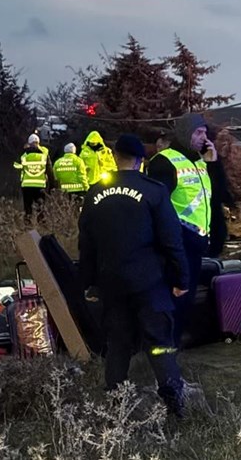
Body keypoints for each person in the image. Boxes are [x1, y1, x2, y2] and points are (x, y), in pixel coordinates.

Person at [78, 134, 190, 417]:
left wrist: (88, 282)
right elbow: (171, 239)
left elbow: (87, 244)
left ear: (115, 156)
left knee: (118, 343)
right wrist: (181, 280)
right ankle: (174, 401)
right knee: (160, 342)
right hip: (149, 282)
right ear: (142, 161)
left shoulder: (94, 194)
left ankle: (116, 406)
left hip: (111, 282)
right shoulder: (153, 191)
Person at [146, 113, 225, 344]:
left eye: (205, 133)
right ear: (185, 133)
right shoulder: (165, 161)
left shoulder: (200, 162)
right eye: (198, 133)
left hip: (197, 242)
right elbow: (158, 206)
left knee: (187, 297)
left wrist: (213, 164)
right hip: (177, 242)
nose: (204, 138)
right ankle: (166, 349)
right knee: (176, 297)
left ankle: (174, 345)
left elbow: (216, 196)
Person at [205, 125, 238, 257]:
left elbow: (220, 180)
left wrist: (228, 199)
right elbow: (217, 181)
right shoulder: (205, 159)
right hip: (206, 211)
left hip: (213, 209)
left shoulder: (214, 158)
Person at [14, 135, 49, 221]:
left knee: (28, 207)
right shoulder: (43, 155)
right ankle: (41, 228)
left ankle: (29, 228)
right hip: (40, 185)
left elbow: (16, 165)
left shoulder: (24, 155)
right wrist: (52, 184)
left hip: (27, 185)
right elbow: (49, 170)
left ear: (29, 143)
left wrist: (23, 151)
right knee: (40, 207)